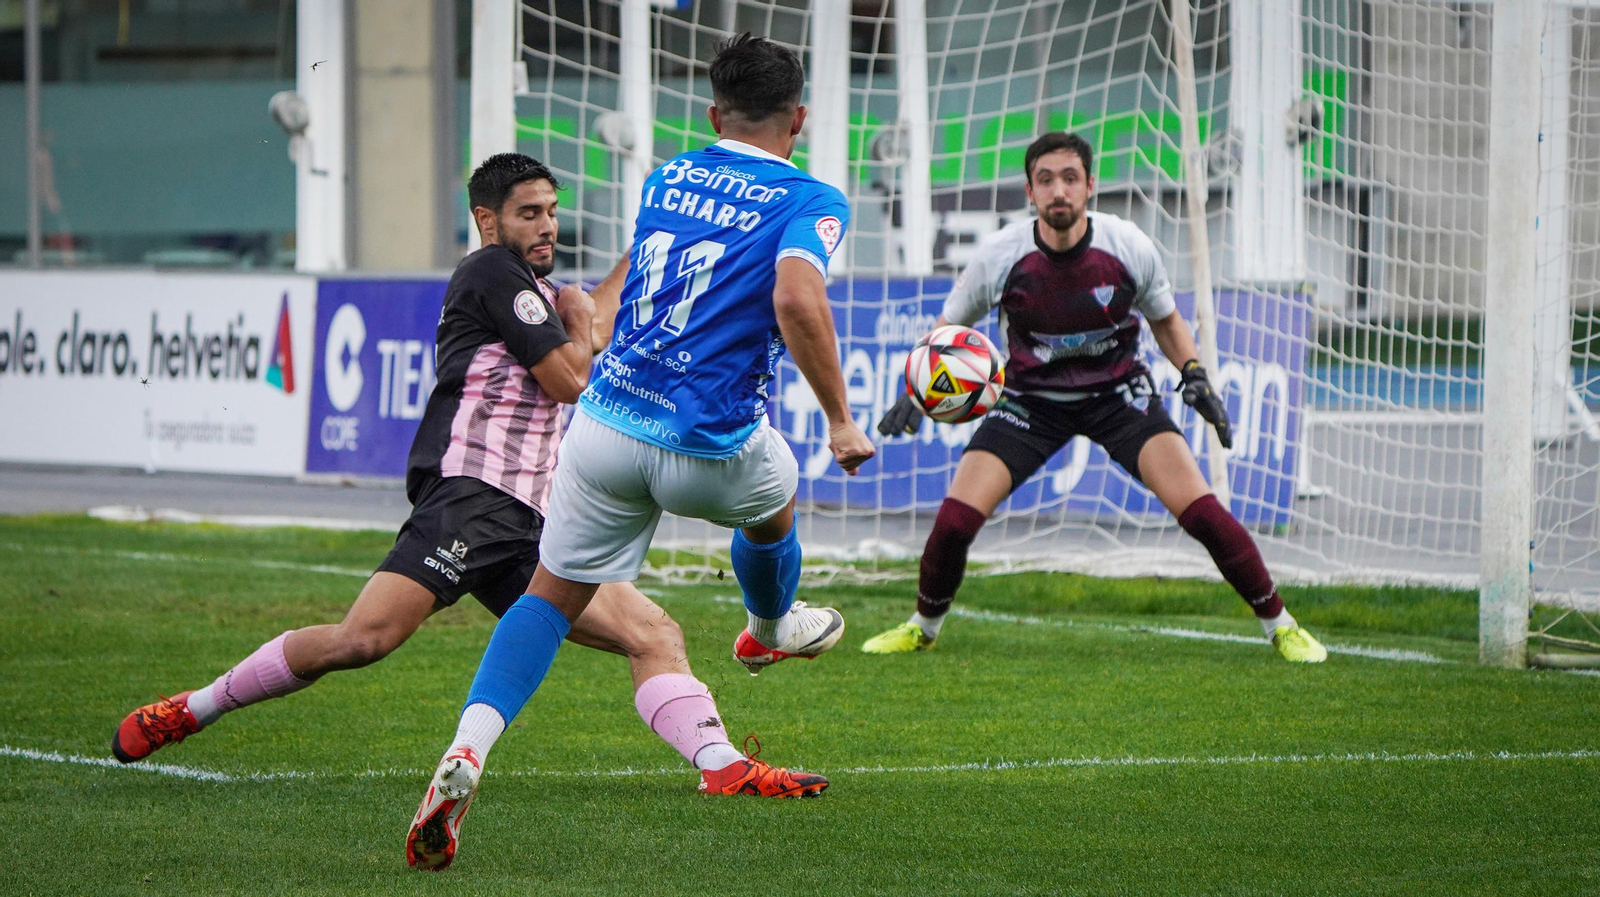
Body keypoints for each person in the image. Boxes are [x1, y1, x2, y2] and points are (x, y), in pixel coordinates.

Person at [110, 153, 827, 843]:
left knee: (654, 634)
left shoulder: (539, 292)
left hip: (536, 518)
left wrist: (642, 252)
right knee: (363, 639)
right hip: (473, 497)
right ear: (489, 221)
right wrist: (582, 324)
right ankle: (192, 708)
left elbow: (596, 318)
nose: (546, 225)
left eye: (551, 211)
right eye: (528, 214)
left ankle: (722, 765)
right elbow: (569, 377)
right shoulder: (491, 272)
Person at [404, 33, 876, 871]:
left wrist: (597, 326)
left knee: (549, 599)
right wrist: (840, 418)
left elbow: (629, 280)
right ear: (799, 118)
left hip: (607, 424)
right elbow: (798, 294)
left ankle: (468, 749)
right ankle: (767, 627)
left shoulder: (668, 175)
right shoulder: (809, 199)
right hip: (708, 440)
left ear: (710, 112)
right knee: (777, 498)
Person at [862, 131, 1326, 664]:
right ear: (1029, 192)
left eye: (1070, 179)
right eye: (1045, 180)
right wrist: (915, 391)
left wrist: (1194, 372)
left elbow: (1167, 320)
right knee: (954, 523)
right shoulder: (1001, 254)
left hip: (1118, 395)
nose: (1058, 191)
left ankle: (1281, 625)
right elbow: (947, 330)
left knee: (1202, 512)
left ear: (1090, 187)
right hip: (1029, 402)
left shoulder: (1127, 246)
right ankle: (923, 626)